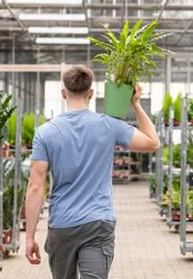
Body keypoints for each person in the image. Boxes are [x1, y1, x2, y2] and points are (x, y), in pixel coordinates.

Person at [24, 65, 161, 279]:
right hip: (98, 222)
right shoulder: (109, 125)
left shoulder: (45, 133)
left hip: (62, 225)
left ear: (63, 93)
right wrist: (135, 103)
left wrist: (29, 237)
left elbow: (35, 187)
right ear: (91, 93)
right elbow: (153, 143)